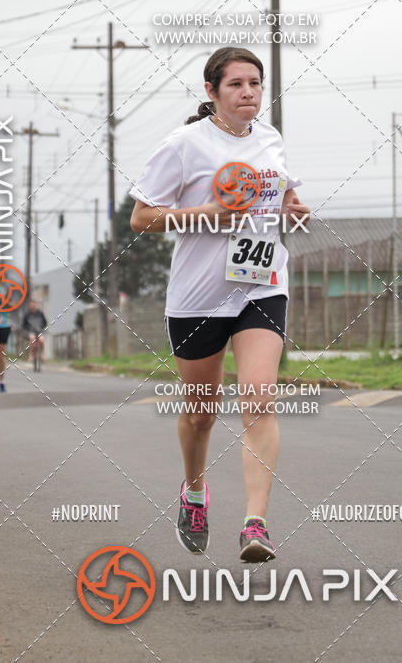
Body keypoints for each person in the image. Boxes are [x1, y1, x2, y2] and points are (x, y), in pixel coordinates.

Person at [129, 46, 309, 563]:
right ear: (211, 93)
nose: (248, 91)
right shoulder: (184, 145)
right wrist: (207, 212)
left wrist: (293, 210)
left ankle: (256, 525)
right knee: (202, 414)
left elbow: (282, 200)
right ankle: (193, 492)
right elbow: (142, 219)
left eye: (255, 82)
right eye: (235, 84)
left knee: (258, 399)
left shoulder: (271, 140)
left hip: (261, 284)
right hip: (199, 295)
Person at [22, 299, 47, 371]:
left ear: (36, 305)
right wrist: (28, 329)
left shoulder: (40, 313)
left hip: (39, 331)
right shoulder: (27, 314)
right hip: (31, 331)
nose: (33, 306)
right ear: (30, 306)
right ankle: (31, 355)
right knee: (32, 338)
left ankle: (42, 354)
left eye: (34, 304)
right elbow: (23, 325)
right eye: (31, 305)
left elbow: (45, 322)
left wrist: (41, 328)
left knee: (42, 340)